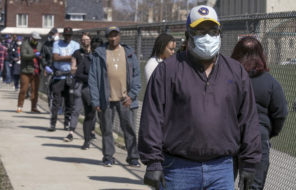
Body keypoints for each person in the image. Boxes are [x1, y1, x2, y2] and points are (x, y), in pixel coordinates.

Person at [138, 5, 261, 190]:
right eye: (200, 31)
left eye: (213, 31)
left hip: (222, 169)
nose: (207, 37)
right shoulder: (167, 70)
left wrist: (249, 163)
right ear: (188, 36)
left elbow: (248, 119)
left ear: (220, 34)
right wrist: (153, 162)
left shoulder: (235, 71)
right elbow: (152, 117)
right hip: (178, 169)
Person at [231, 36, 288, 190]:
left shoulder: (228, 79)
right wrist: (267, 132)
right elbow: (280, 113)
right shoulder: (270, 82)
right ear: (261, 55)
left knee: (223, 183)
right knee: (252, 186)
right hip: (257, 138)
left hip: (230, 135)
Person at [89, 26, 141, 167]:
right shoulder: (99, 53)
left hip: (125, 99)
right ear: (107, 37)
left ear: (119, 36)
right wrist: (95, 99)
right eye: (110, 36)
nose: (113, 38)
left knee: (129, 128)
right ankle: (108, 157)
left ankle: (133, 157)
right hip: (107, 99)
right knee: (106, 129)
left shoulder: (129, 52)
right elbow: (93, 78)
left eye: (115, 35)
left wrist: (132, 94)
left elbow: (136, 75)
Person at [63, 33, 98, 150]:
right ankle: (71, 131)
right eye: (82, 40)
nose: (84, 41)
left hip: (92, 87)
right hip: (80, 85)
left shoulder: (95, 54)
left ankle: (90, 132)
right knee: (76, 109)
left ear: (91, 41)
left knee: (92, 111)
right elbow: (73, 70)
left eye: (87, 39)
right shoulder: (77, 53)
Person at [47, 27, 80, 132]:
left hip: (70, 76)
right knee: (56, 101)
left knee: (69, 102)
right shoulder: (57, 44)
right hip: (59, 76)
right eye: (66, 35)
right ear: (63, 35)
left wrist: (64, 57)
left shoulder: (76, 45)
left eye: (69, 35)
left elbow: (77, 58)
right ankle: (53, 123)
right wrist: (70, 57)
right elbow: (55, 58)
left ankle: (67, 123)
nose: (67, 37)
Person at [16, 32, 43, 113]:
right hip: (26, 70)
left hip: (36, 70)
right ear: (31, 38)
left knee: (35, 90)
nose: (36, 41)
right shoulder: (25, 44)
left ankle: (34, 107)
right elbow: (23, 55)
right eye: (35, 39)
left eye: (37, 39)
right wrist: (34, 55)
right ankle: (20, 106)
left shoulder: (40, 45)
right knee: (23, 89)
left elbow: (43, 54)